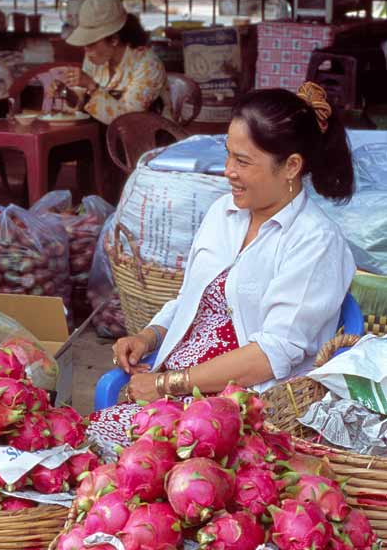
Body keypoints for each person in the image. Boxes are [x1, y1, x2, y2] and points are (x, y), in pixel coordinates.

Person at [88, 82, 356, 452]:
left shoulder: (316, 242)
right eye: (229, 155)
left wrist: (168, 385)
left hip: (239, 409)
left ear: (291, 166)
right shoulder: (223, 213)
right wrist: (148, 337)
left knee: (132, 464)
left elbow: (272, 353)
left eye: (243, 161)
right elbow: (190, 299)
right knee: (89, 450)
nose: (228, 171)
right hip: (173, 388)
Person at [56, 0, 172, 123]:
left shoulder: (148, 65)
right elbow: (80, 100)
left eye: (91, 42)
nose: (86, 49)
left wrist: (91, 86)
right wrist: (65, 92)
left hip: (149, 138)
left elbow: (129, 121)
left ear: (114, 40)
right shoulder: (94, 57)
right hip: (106, 134)